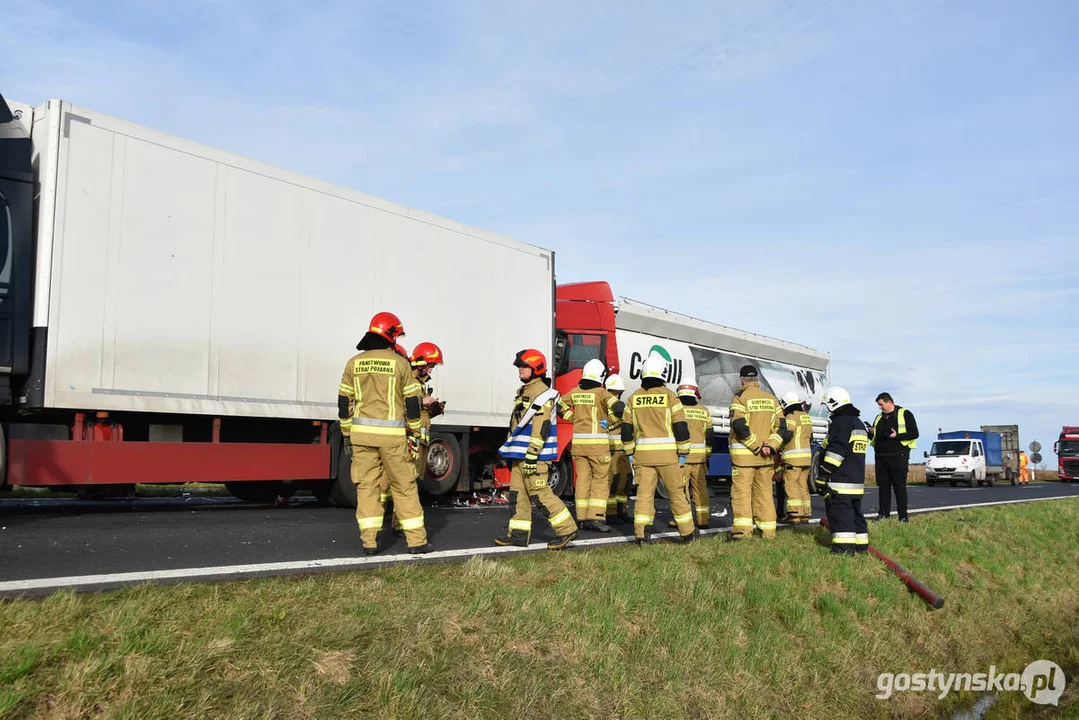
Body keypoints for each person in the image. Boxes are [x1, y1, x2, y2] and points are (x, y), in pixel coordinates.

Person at [338, 312, 433, 555]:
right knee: (404, 486)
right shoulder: (399, 364)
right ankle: (416, 541)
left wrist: (347, 428)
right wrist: (413, 430)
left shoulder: (353, 363)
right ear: (391, 337)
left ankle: (369, 542)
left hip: (361, 437)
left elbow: (343, 400)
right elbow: (412, 402)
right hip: (392, 438)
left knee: (367, 488)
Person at [494, 349, 578, 550]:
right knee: (517, 496)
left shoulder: (541, 394)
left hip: (534, 456)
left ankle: (566, 529)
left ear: (536, 368)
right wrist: (509, 451)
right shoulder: (525, 391)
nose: (520, 370)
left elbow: (542, 428)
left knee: (541, 494)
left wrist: (532, 455)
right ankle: (518, 535)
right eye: (519, 367)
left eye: (524, 367)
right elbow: (516, 424)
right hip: (519, 455)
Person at [622, 354, 695, 544]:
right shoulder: (671, 397)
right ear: (663, 374)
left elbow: (626, 430)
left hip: (642, 458)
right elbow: (680, 427)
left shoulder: (633, 398)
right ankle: (687, 534)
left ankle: (641, 535)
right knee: (677, 494)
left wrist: (630, 453)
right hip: (668, 457)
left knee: (644, 496)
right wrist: (683, 452)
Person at [559, 359, 624, 532]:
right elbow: (618, 408)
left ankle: (581, 517)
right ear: (601, 376)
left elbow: (558, 404)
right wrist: (610, 423)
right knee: (600, 481)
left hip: (579, 446)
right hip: (597, 446)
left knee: (583, 480)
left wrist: (572, 418)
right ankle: (595, 518)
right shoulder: (601, 393)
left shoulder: (575, 392)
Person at [728, 365, 784, 540]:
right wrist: (771, 446)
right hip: (766, 459)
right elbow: (782, 428)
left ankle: (743, 533)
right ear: (757, 380)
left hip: (744, 459)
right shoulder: (771, 399)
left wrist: (756, 446)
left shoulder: (739, 397)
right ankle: (768, 532)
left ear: (742, 380)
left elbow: (738, 425)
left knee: (742, 494)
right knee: (765, 495)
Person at [816, 387, 869, 555]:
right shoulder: (858, 423)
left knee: (841, 515)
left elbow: (837, 451)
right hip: (856, 481)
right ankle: (861, 546)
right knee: (856, 515)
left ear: (834, 403)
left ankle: (843, 549)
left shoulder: (841, 423)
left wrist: (824, 473)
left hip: (840, 480)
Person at [867, 392, 919, 522]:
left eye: (881, 404)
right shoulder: (879, 417)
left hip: (898, 455)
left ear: (889, 402)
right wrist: (871, 432)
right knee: (883, 487)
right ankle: (883, 514)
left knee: (899, 487)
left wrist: (897, 436)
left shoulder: (904, 413)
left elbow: (915, 433)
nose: (880, 407)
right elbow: (873, 438)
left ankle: (903, 517)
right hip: (880, 456)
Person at [673, 383, 714, 528]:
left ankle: (683, 521)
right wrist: (707, 454)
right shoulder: (704, 411)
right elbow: (710, 434)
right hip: (700, 459)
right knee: (700, 489)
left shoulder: (677, 410)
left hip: (681, 458)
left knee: (681, 489)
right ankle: (703, 520)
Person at [777, 391, 813, 524]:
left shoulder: (791, 417)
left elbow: (788, 433)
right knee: (803, 485)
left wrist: (779, 446)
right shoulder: (806, 416)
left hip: (793, 457)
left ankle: (795, 514)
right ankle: (805, 514)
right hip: (806, 458)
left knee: (791, 484)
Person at [604, 374, 633, 524]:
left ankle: (622, 510)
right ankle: (610, 513)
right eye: (613, 392)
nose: (615, 395)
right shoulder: (603, 408)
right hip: (611, 451)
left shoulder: (623, 406)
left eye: (617, 392)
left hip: (624, 452)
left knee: (626, 481)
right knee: (613, 481)